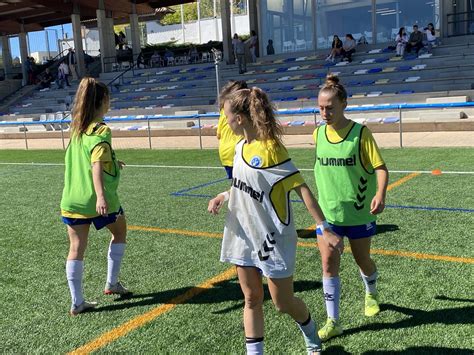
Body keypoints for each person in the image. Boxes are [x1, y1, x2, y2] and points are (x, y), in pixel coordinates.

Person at [208, 87, 343, 355]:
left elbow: (301, 188)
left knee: (282, 303)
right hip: (243, 234)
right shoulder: (239, 147)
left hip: (273, 237)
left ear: (241, 119)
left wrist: (323, 227)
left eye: (226, 117)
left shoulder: (271, 149)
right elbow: (242, 185)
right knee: (251, 297)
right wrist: (224, 195)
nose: (224, 122)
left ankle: (310, 332)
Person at [312, 75, 389, 342]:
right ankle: (333, 321)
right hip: (328, 215)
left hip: (358, 213)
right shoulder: (318, 133)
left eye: (330, 107)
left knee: (362, 259)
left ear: (344, 104)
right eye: (321, 107)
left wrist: (380, 193)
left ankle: (371, 292)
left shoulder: (360, 134)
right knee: (328, 264)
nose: (325, 113)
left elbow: (380, 168)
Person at [60, 77, 131, 316]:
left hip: (71, 199)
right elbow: (95, 164)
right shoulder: (102, 130)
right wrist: (101, 196)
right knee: (120, 231)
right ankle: (111, 283)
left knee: (76, 247)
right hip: (97, 199)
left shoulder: (76, 129)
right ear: (103, 101)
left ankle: (77, 302)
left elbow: (93, 158)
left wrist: (112, 160)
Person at [216, 80, 247, 179]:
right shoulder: (244, 110)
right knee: (243, 186)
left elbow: (218, 134)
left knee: (238, 186)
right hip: (238, 152)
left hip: (224, 153)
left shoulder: (223, 110)